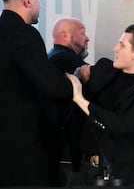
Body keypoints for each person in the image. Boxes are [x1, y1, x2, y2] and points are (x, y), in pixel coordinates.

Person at [66, 24, 134, 185]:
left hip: (121, 172)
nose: (115, 49)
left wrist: (79, 98)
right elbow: (80, 75)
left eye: (122, 45)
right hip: (85, 165)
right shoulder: (104, 69)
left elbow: (121, 125)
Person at [0, 0, 73, 186]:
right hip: (24, 143)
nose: (40, 6)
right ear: (27, 1)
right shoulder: (24, 34)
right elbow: (48, 83)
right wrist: (72, 83)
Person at [45, 17, 90, 185]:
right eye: (82, 33)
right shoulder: (65, 59)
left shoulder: (56, 57)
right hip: (68, 147)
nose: (87, 38)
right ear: (65, 35)